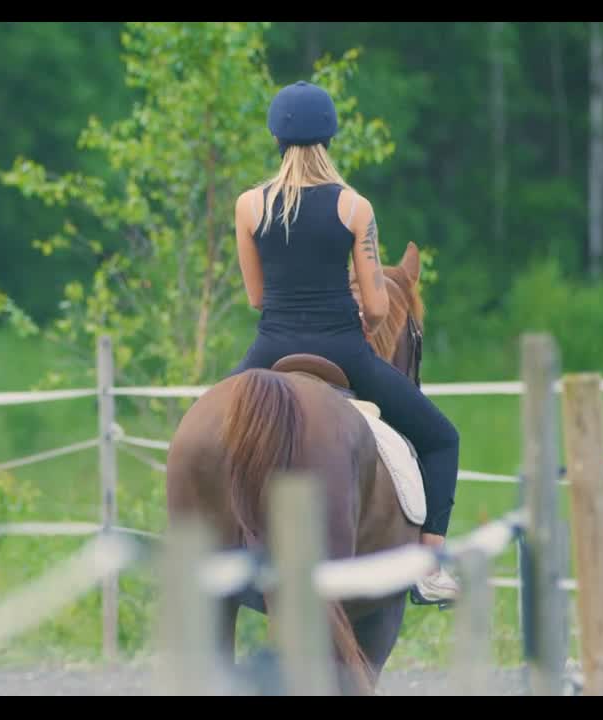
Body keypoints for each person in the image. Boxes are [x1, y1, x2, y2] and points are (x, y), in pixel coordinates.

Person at [229, 80, 460, 603]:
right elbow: (378, 308)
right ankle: (429, 567)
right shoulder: (355, 208)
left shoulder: (249, 207)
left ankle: (211, 560)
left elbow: (257, 297)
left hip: (270, 351)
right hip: (345, 351)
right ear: (329, 139)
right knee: (442, 437)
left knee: (204, 432)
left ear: (276, 139)